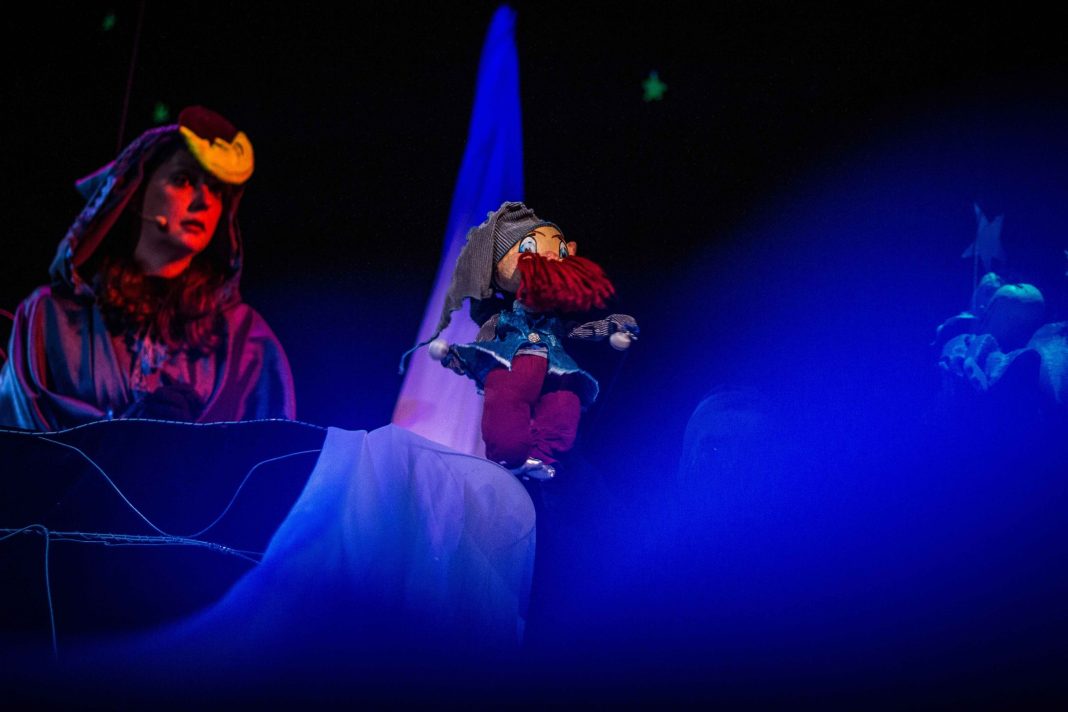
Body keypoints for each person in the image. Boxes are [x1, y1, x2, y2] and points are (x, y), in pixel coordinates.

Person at [0, 106, 295, 430]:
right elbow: (21, 435)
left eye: (216, 189)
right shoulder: (53, 320)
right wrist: (125, 429)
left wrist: (190, 443)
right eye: (183, 180)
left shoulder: (245, 342)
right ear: (136, 194)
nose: (204, 201)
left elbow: (273, 449)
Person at [403, 201, 638, 480]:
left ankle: (542, 456)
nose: (550, 257)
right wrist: (457, 357)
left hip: (554, 368)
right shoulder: (504, 317)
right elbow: (485, 336)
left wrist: (610, 326)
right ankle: (510, 455)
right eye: (530, 247)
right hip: (512, 365)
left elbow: (579, 330)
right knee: (506, 405)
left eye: (560, 251)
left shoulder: (554, 323)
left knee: (564, 405)